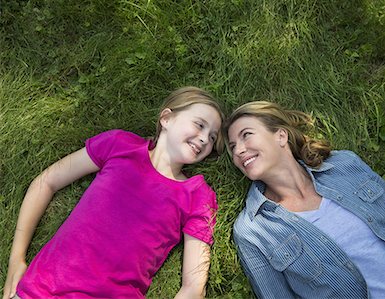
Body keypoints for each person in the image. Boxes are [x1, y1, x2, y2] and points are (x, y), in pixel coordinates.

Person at [3, 86, 224, 299]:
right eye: (199, 125)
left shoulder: (198, 195)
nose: (205, 139)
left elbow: (193, 287)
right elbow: (47, 182)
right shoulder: (120, 145)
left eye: (213, 137)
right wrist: (16, 258)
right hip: (40, 290)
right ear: (166, 119)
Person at [225, 100, 385, 299]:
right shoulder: (253, 230)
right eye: (233, 147)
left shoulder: (343, 166)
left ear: (281, 136)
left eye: (246, 135)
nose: (239, 151)